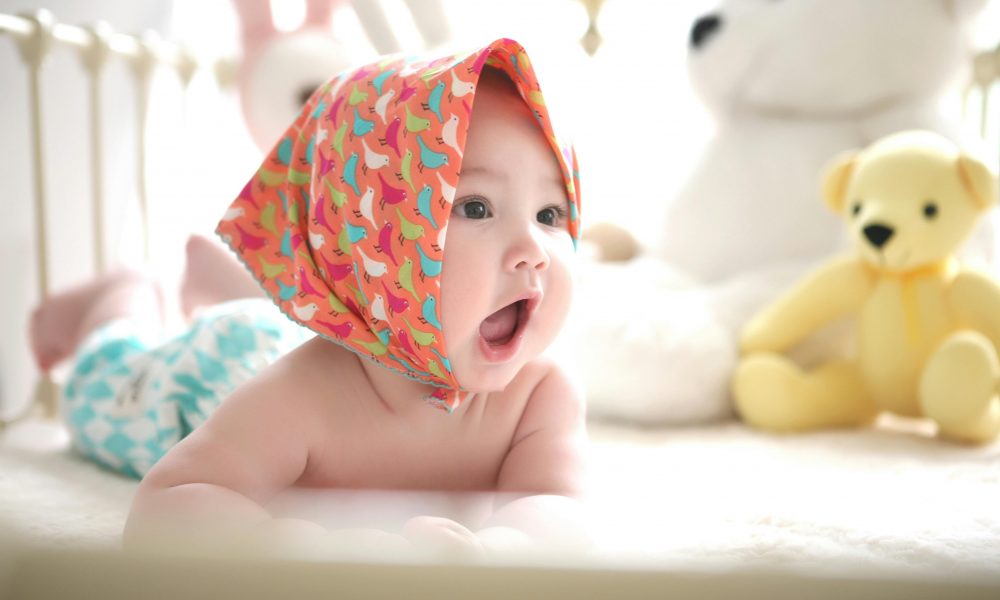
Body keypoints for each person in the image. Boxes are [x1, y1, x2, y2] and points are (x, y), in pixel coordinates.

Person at [30, 38, 586, 555]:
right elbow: (164, 505)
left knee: (287, 316)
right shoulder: (305, 395)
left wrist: (502, 550)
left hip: (334, 324)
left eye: (549, 214)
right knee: (104, 379)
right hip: (218, 364)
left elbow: (557, 505)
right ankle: (121, 295)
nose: (533, 249)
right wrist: (315, 549)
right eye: (476, 208)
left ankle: (225, 283)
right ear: (375, 239)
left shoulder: (540, 393)